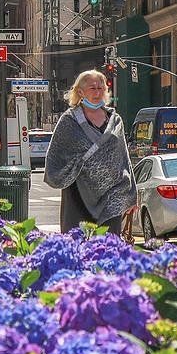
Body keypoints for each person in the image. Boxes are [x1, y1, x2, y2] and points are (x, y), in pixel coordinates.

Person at [44, 70, 137, 235]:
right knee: (78, 244)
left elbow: (124, 159)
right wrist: (81, 162)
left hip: (112, 196)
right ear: (80, 92)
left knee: (109, 246)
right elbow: (55, 157)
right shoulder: (69, 121)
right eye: (92, 88)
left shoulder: (115, 121)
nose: (97, 92)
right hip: (78, 196)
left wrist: (132, 196)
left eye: (101, 88)